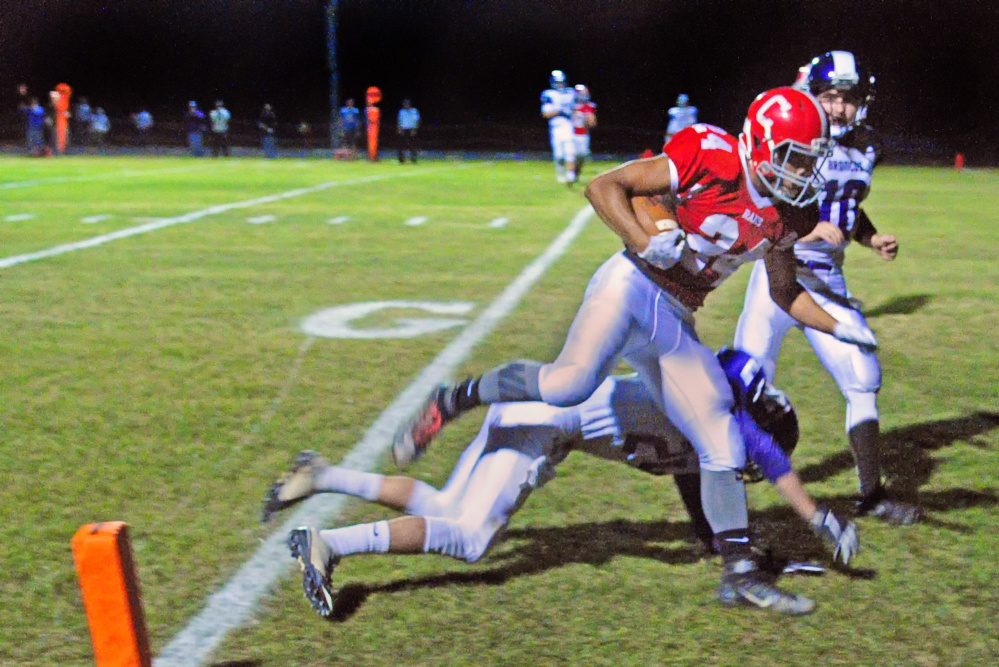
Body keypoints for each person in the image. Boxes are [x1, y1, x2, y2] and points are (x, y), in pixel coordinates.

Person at [393, 86, 880, 615]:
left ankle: (738, 573)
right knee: (567, 385)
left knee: (719, 435)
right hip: (629, 287)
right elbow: (605, 186)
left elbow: (784, 292)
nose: (803, 172)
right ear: (760, 144)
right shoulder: (713, 154)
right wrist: (643, 239)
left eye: (811, 160)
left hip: (675, 316)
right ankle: (459, 396)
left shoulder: (789, 214)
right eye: (794, 158)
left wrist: (838, 326)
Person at [274, 350, 859, 618]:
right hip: (545, 423)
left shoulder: (704, 418)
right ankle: (331, 545)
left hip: (538, 419)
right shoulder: (722, 416)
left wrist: (740, 553)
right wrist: (817, 518)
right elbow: (769, 460)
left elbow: (700, 503)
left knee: (448, 503)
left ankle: (323, 475)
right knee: (471, 537)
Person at [733, 52, 920, 526]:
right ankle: (725, 511)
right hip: (778, 272)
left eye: (848, 98)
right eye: (830, 97)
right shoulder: (796, 136)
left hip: (827, 280)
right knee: (745, 386)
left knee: (863, 377)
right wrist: (807, 228)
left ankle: (873, 495)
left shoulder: (866, 147)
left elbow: (846, 207)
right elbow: (761, 195)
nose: (838, 108)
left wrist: (870, 237)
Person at [541, 70, 578, 186]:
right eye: (557, 82)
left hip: (569, 126)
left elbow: (577, 108)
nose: (560, 84)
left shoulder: (571, 93)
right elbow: (546, 114)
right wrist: (561, 111)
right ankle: (561, 172)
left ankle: (570, 175)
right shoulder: (548, 94)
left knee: (570, 151)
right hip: (556, 127)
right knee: (559, 155)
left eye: (561, 82)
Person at [572, 84, 597, 180]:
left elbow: (593, 124)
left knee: (582, 156)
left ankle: (576, 173)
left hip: (583, 135)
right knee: (571, 155)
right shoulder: (571, 105)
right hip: (571, 134)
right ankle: (569, 174)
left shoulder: (589, 106)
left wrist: (588, 117)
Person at [396, 99, 420, 164]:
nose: (405, 105)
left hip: (411, 129)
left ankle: (413, 158)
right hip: (403, 129)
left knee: (412, 145)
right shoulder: (401, 111)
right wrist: (399, 129)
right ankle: (401, 159)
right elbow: (399, 120)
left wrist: (415, 129)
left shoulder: (414, 111)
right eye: (404, 104)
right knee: (401, 145)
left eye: (407, 104)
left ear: (409, 104)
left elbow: (416, 120)